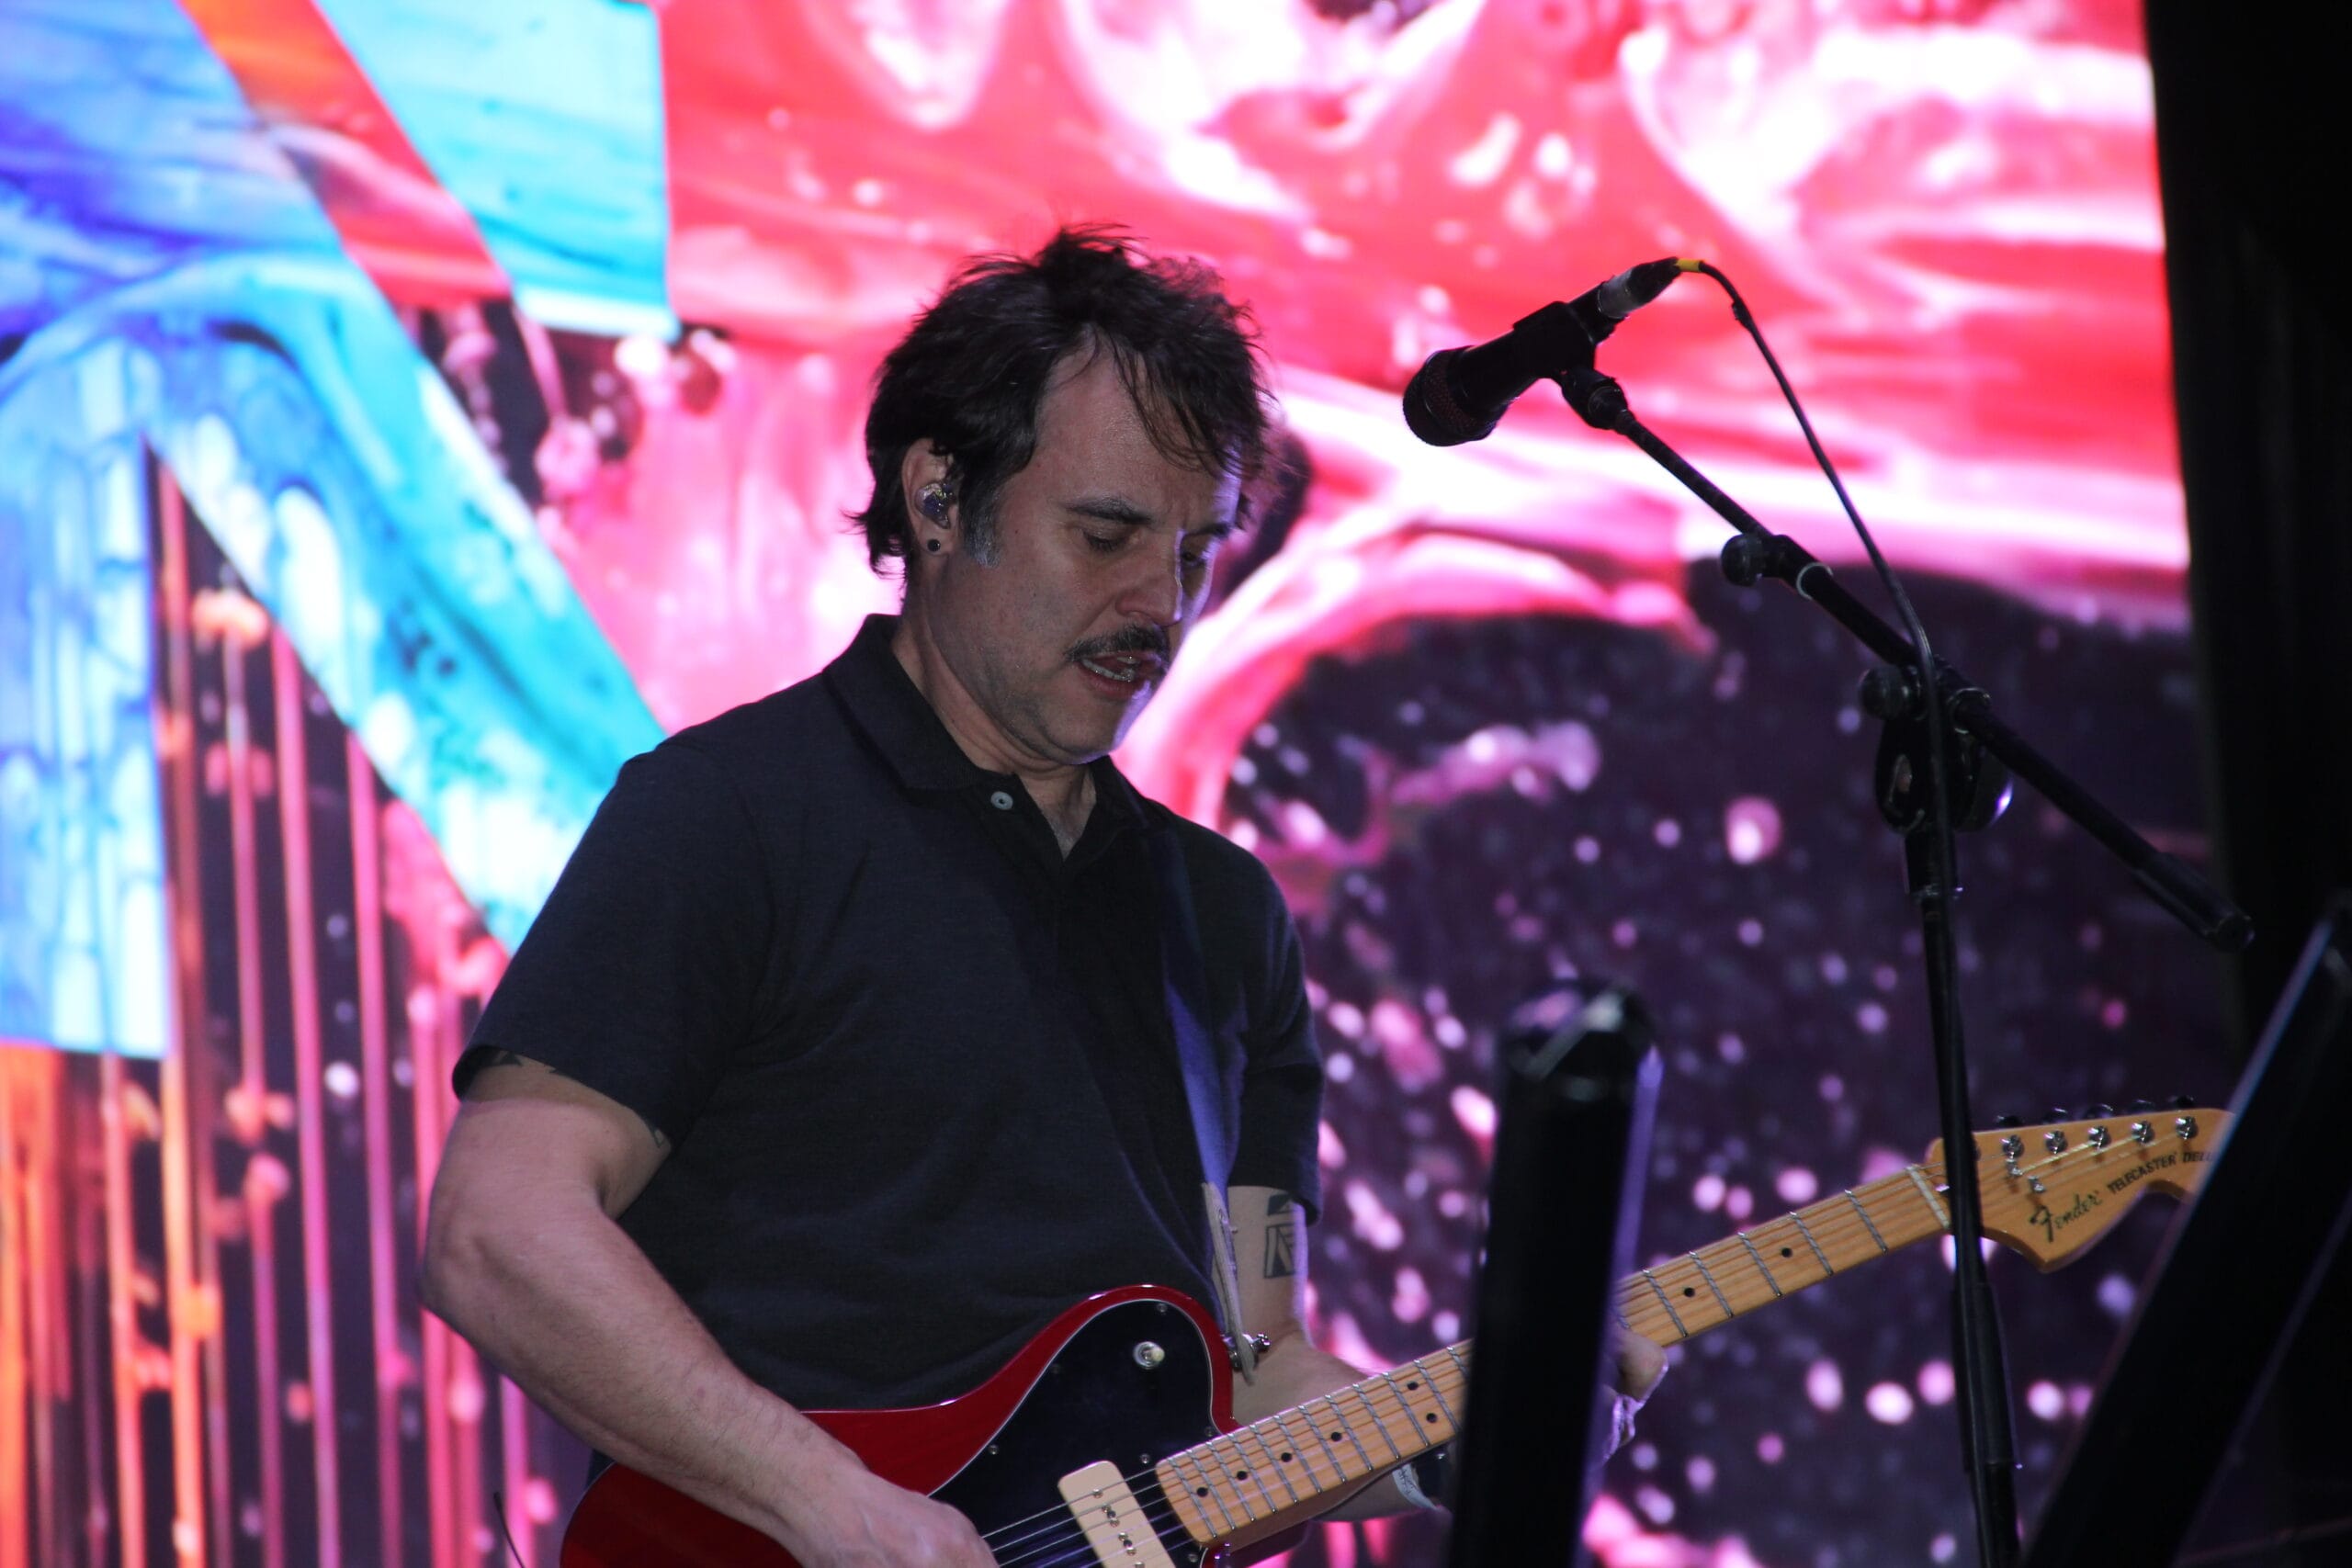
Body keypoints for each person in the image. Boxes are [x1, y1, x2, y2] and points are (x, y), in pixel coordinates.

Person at [421, 227, 1664, 1566]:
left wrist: (1470, 1433)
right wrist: (829, 1503)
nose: (1159, 604)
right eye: (1106, 534)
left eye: (1194, 552)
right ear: (939, 498)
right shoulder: (732, 813)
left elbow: (1253, 1378)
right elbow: (499, 1229)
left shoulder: (1225, 917)